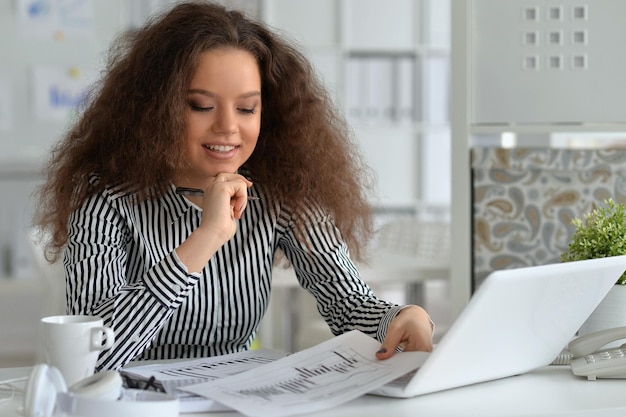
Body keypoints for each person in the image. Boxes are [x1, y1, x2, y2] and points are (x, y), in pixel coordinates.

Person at [33, 0, 433, 371]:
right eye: (201, 106)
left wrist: (400, 318)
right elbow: (92, 357)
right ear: (156, 109)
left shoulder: (281, 194)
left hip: (237, 398)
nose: (228, 126)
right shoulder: (104, 198)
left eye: (246, 108)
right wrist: (206, 237)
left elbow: (348, 303)